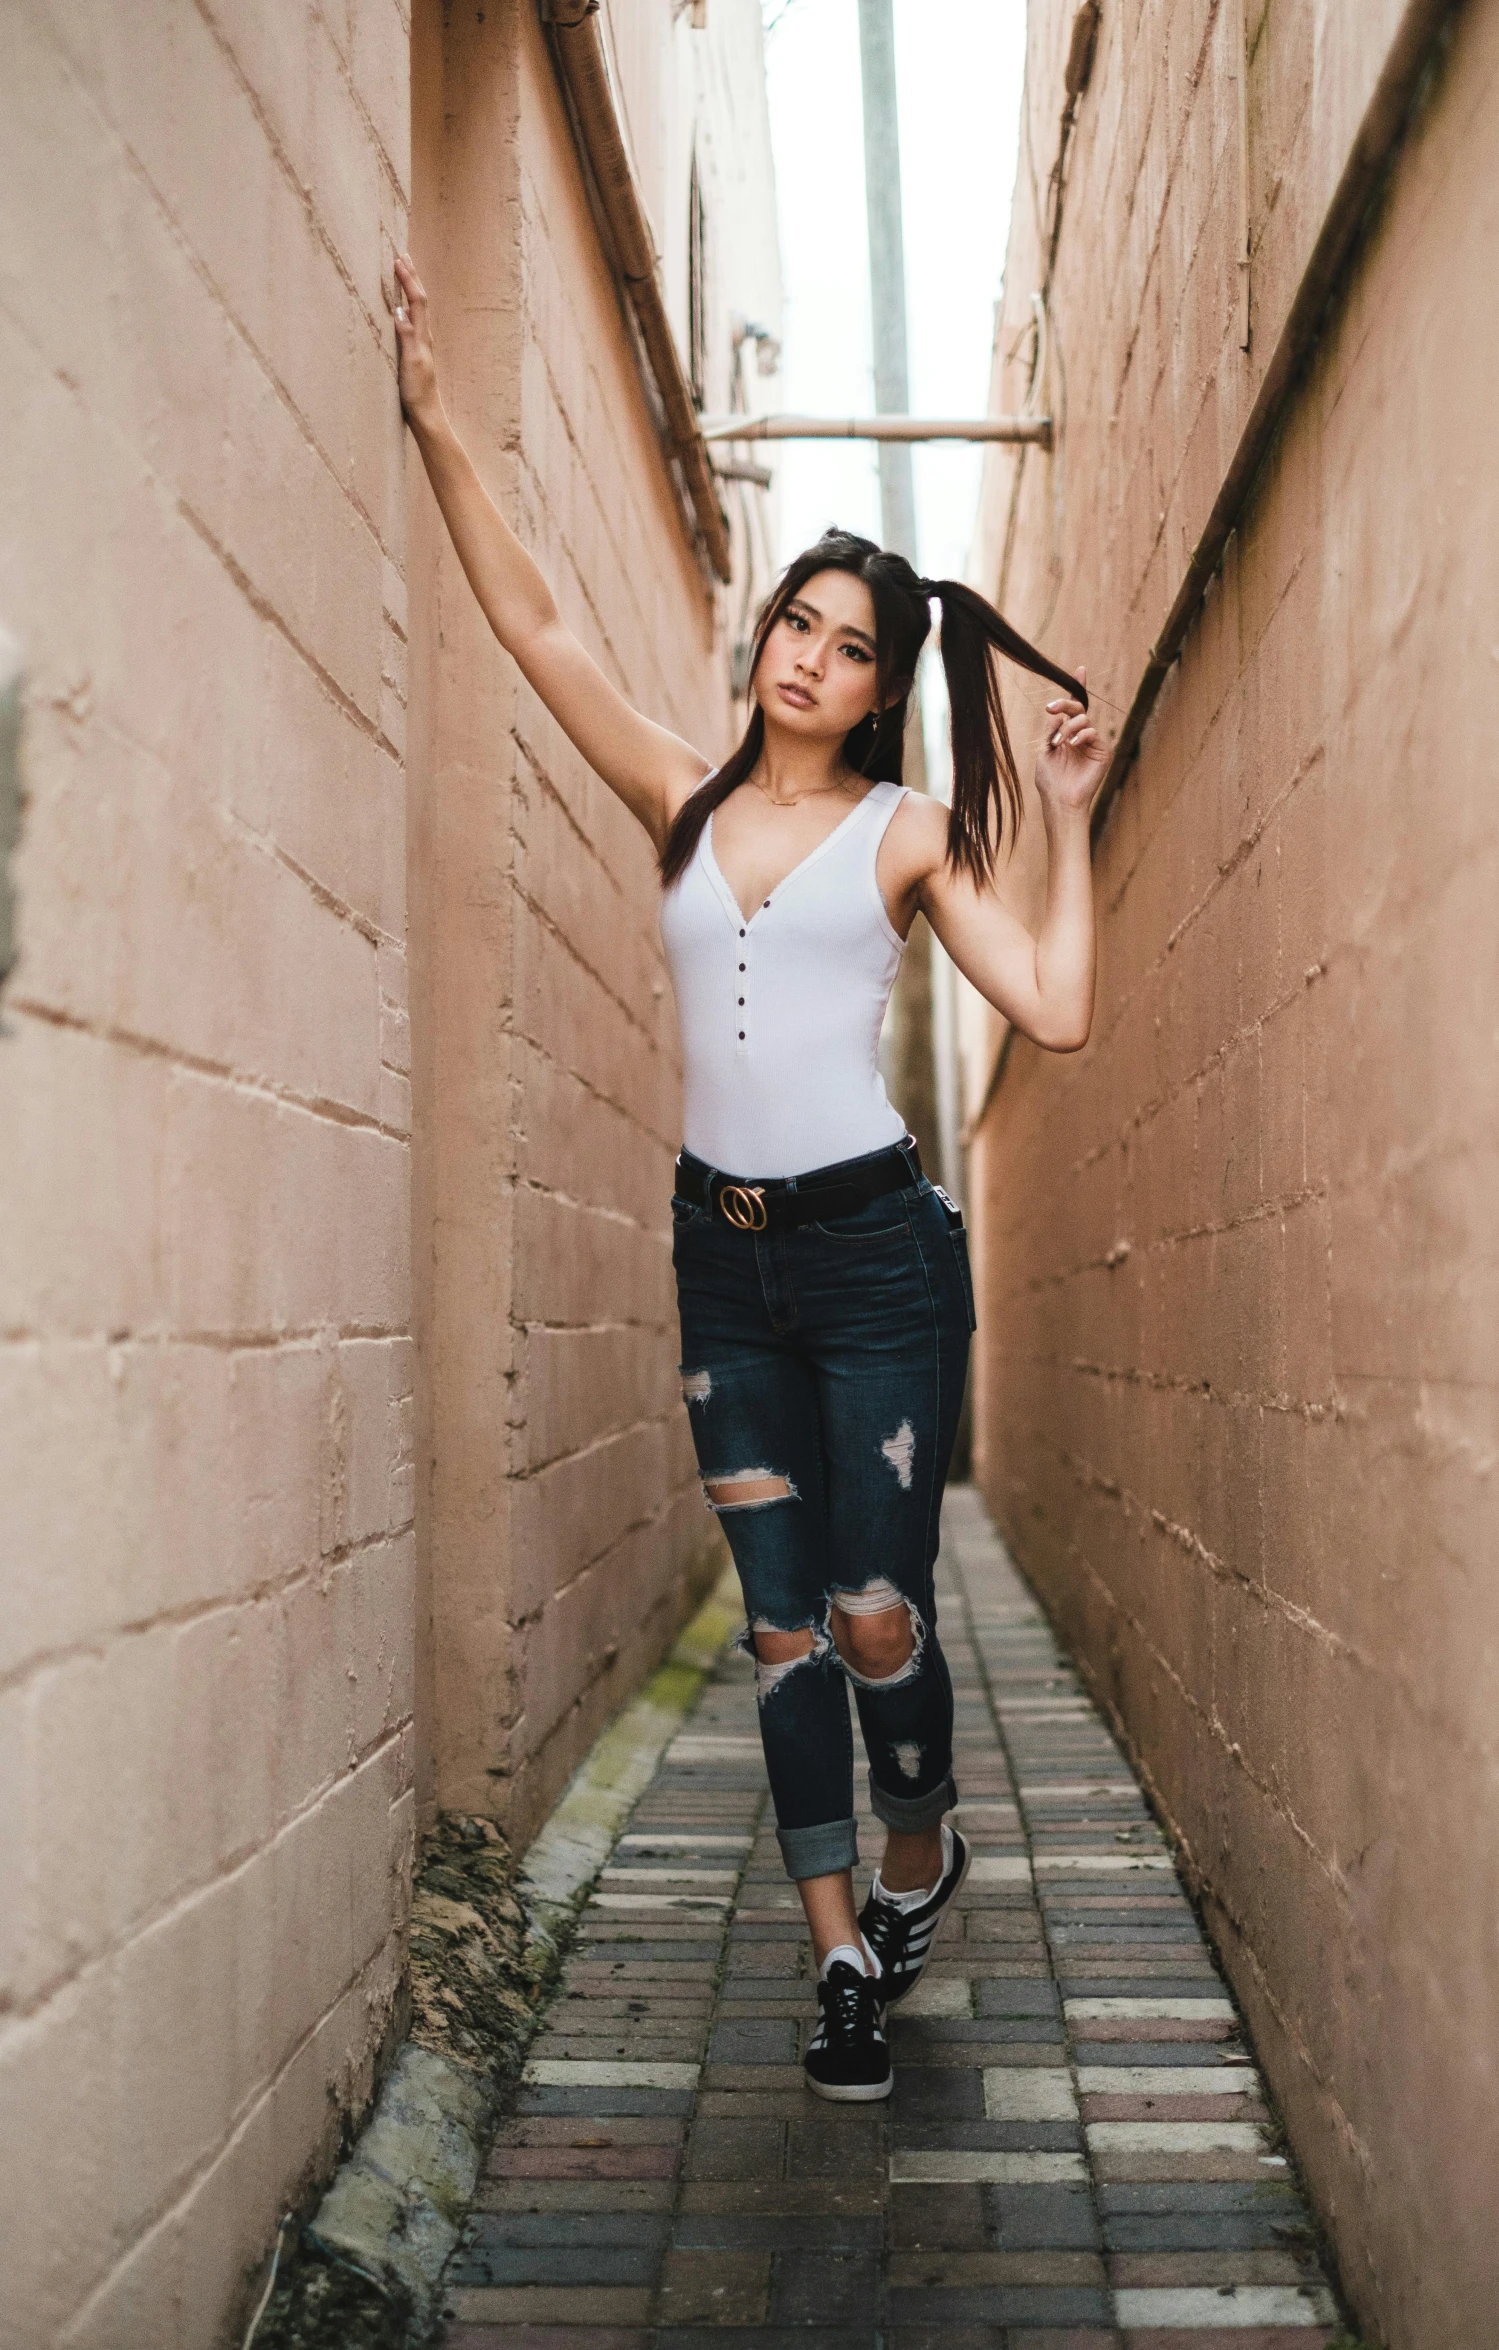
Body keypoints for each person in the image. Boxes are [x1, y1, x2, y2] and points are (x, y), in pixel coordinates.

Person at [392, 253, 1108, 2101]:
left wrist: (1076, 826)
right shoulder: (682, 796)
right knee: (780, 1624)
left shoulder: (907, 832)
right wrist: (440, 429)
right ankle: (842, 1954)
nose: (809, 653)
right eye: (797, 619)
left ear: (879, 690)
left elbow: (1057, 1004)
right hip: (723, 1258)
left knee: (877, 1617)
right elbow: (542, 629)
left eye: (850, 641)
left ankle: (922, 1836)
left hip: (875, 1264)